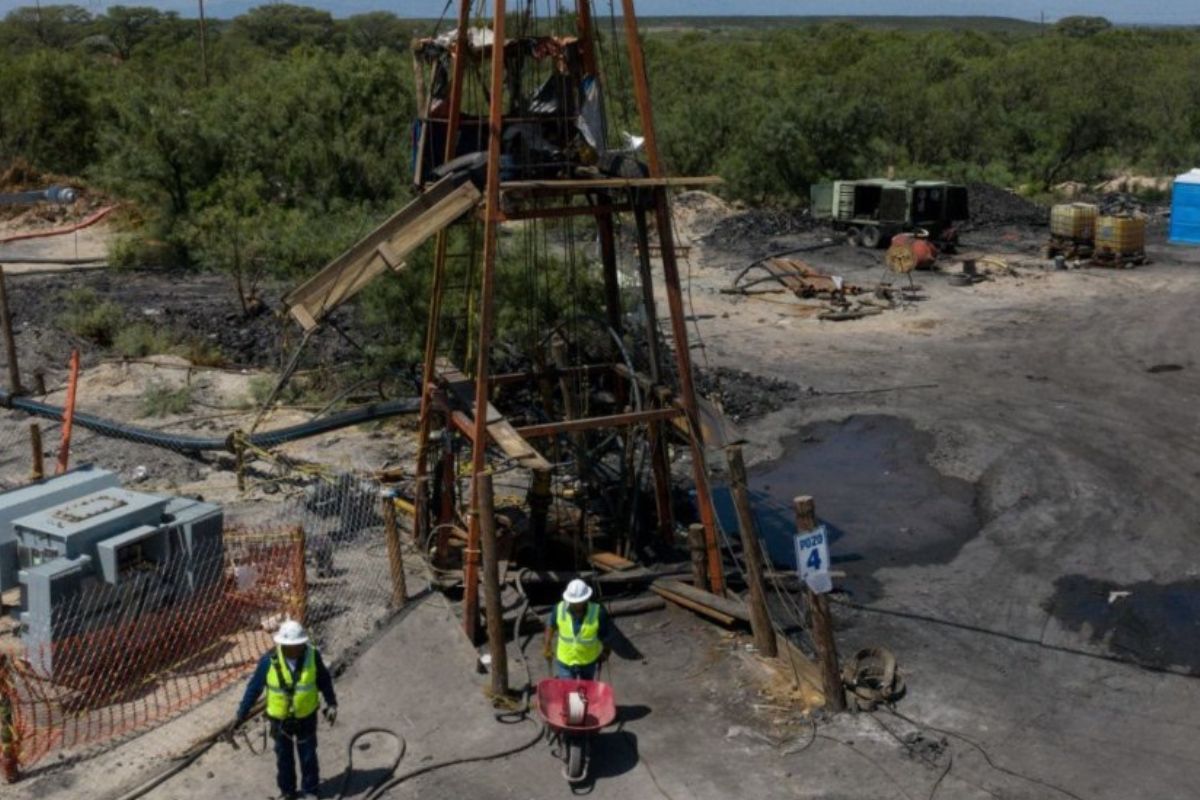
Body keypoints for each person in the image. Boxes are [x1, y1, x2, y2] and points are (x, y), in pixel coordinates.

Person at [235, 619, 338, 800]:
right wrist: (241, 713)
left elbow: (324, 680)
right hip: (280, 721)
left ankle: (310, 791)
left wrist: (331, 703)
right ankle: (287, 792)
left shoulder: (312, 656)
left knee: (308, 756)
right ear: (281, 644)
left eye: (298, 645)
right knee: (284, 759)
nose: (296, 650)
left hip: (306, 717)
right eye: (291, 646)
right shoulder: (268, 661)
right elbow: (254, 689)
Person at [543, 579, 612, 680]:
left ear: (586, 599)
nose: (576, 605)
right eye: (573, 602)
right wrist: (547, 646)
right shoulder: (559, 609)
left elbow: (606, 635)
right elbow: (550, 626)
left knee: (586, 691)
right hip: (565, 661)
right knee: (567, 690)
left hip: (588, 661)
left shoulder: (598, 613)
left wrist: (606, 651)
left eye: (579, 602)